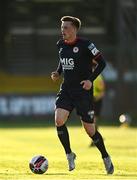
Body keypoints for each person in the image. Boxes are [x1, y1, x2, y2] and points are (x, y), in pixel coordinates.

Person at [51, 16, 114, 174]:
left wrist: (90, 80)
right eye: (62, 27)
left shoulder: (86, 45)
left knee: (90, 130)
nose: (62, 30)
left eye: (66, 27)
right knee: (59, 120)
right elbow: (62, 60)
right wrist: (58, 72)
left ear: (74, 29)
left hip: (82, 92)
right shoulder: (60, 45)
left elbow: (102, 63)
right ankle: (69, 154)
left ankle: (105, 156)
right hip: (66, 90)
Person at [90, 74, 106, 147]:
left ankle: (95, 140)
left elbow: (102, 92)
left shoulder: (98, 77)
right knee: (91, 121)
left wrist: (95, 99)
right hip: (90, 101)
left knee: (93, 121)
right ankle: (98, 138)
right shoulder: (89, 75)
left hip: (96, 101)